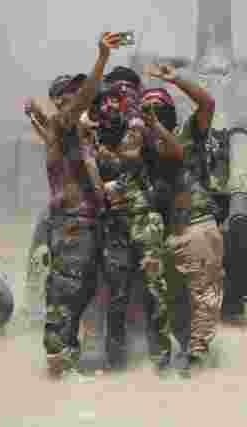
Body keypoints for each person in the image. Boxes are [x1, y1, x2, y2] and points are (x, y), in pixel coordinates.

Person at [22, 31, 123, 378]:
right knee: (65, 296)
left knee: (80, 294)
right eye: (71, 95)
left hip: (86, 225)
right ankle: (57, 369)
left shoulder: (74, 136)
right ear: (61, 102)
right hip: (72, 225)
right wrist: (102, 59)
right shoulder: (63, 124)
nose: (81, 101)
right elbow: (80, 103)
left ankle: (66, 363)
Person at [143, 62, 223, 377]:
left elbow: (207, 103)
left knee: (203, 300)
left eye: (157, 108)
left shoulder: (188, 135)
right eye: (146, 109)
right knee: (173, 306)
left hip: (196, 228)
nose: (151, 114)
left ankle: (198, 362)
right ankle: (182, 357)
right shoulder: (143, 150)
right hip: (168, 237)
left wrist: (176, 79)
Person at [92, 83, 177, 375]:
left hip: (144, 220)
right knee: (117, 294)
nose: (111, 106)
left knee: (155, 291)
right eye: (105, 102)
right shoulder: (95, 135)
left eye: (116, 100)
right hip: (115, 225)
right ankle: (115, 361)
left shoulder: (138, 128)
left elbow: (135, 155)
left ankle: (161, 360)